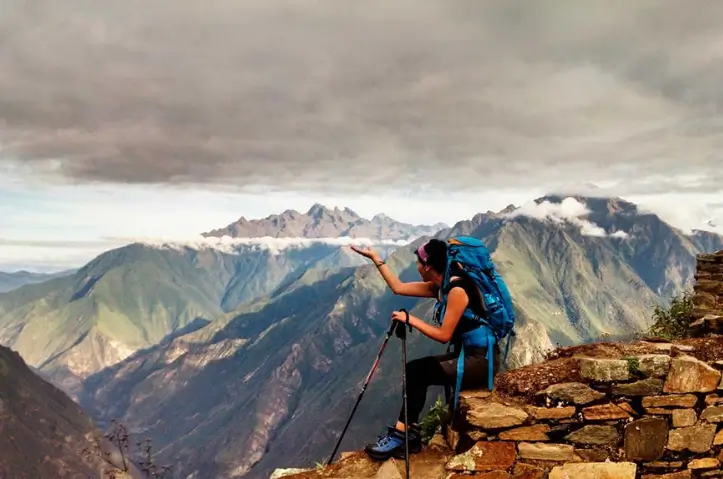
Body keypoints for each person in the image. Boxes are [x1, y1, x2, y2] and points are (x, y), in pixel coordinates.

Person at [349, 239, 500, 461]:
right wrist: (376, 259)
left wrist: (410, 319)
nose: (417, 267)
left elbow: (443, 335)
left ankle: (403, 437)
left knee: (417, 372)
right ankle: (406, 434)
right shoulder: (441, 287)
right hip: (468, 354)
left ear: (428, 265)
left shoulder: (457, 290)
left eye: (418, 263)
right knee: (416, 371)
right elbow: (398, 287)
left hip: (480, 360)